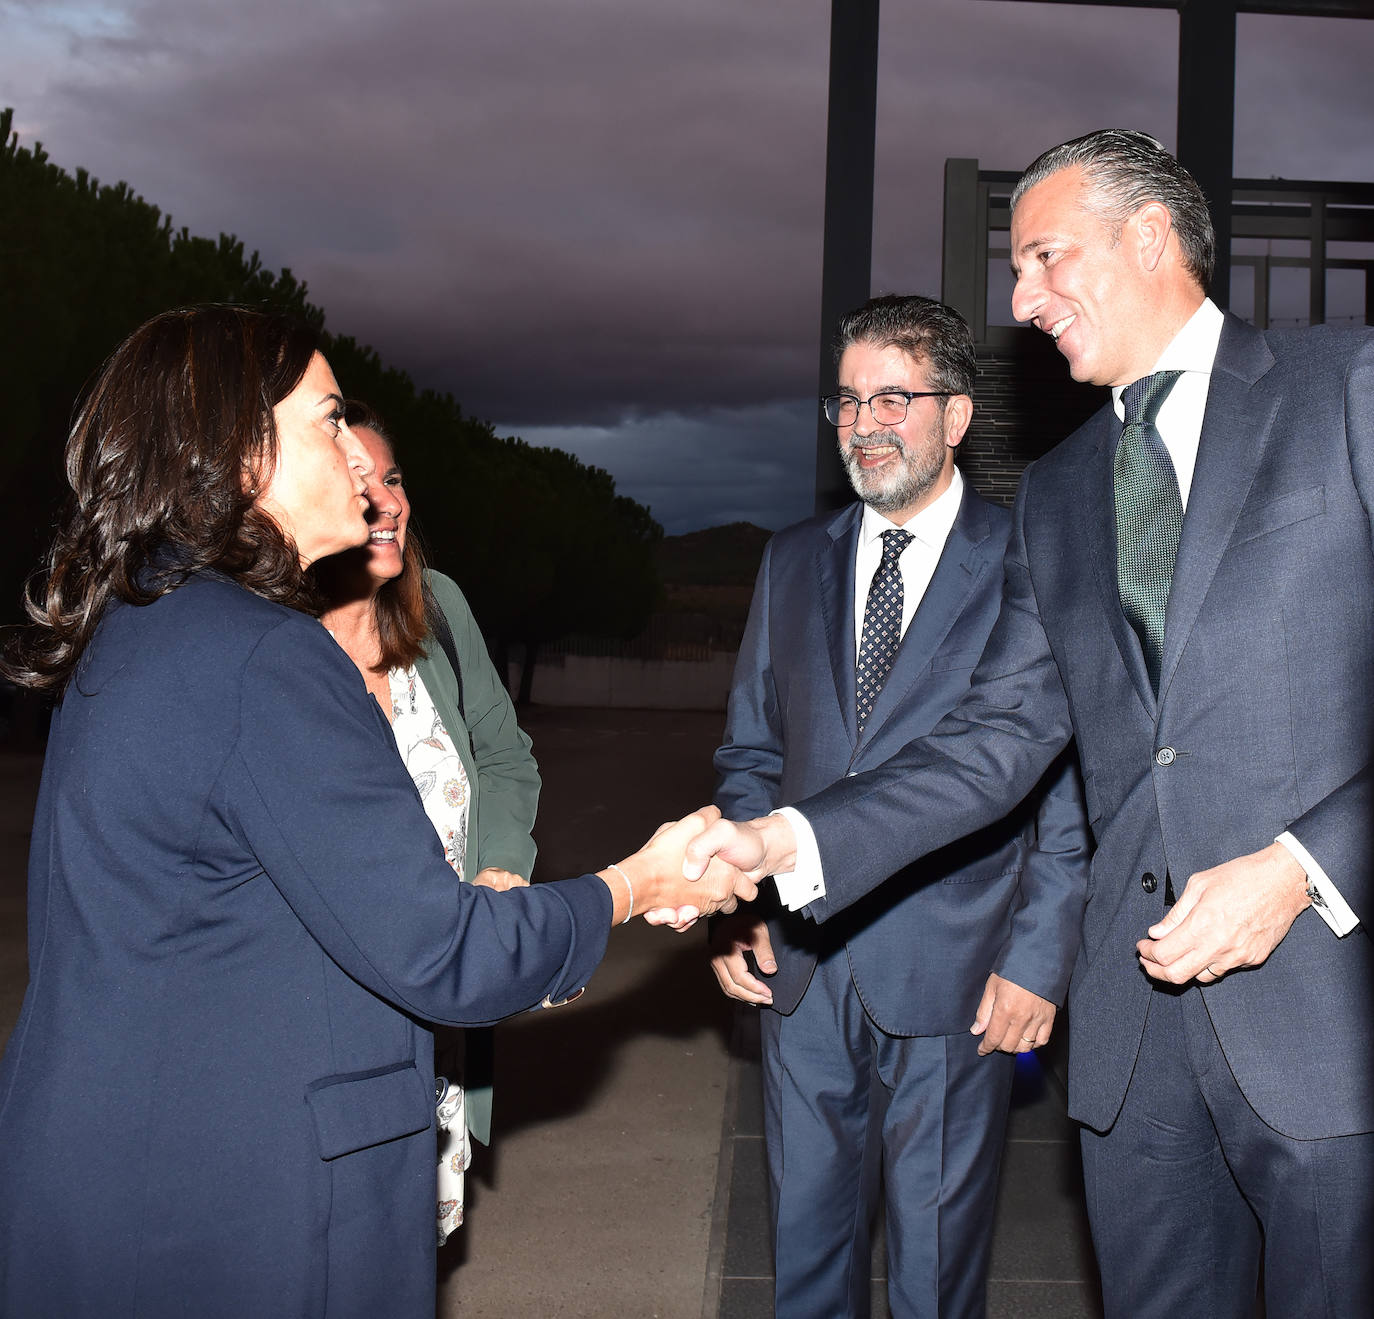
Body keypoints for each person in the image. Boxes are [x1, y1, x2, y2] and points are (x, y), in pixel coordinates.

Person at [686, 130, 1374, 1318]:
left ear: (1151, 237)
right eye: (1017, 267)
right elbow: (995, 742)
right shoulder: (1058, 492)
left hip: (1327, 1022)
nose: (1021, 298)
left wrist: (1304, 864)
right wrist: (785, 842)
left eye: (1048, 257)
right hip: (1138, 1038)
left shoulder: (1347, 390)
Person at [0, 304, 748, 1319]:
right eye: (328, 419)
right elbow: (443, 952)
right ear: (235, 448)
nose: (358, 452)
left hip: (125, 1170)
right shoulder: (265, 655)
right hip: (237, 1207)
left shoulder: (144, 620)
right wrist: (637, 882)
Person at [707, 294, 1088, 1317]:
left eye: (893, 397)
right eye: (846, 399)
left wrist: (1038, 956)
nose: (864, 422)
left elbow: (1059, 783)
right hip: (801, 968)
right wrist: (741, 897)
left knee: (934, 1271)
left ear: (955, 415)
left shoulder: (1032, 557)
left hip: (961, 976)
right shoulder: (791, 560)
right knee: (806, 1259)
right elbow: (752, 751)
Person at [314, 400, 539, 1246]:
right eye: (359, 480)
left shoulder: (435, 607)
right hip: (333, 1008)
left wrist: (501, 871)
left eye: (395, 477)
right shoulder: (276, 642)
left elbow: (507, 756)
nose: (389, 500)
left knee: (411, 1247)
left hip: (442, 1006)